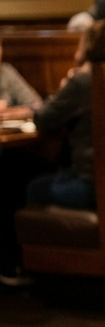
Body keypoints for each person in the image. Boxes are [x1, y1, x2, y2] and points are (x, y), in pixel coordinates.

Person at [27, 19, 105, 210]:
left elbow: (42, 119)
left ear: (88, 47)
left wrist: (65, 86)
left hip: (93, 186)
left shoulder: (82, 82)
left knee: (34, 187)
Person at [0, 40, 48, 286]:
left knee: (31, 169)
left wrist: (6, 112)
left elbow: (36, 105)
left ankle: (21, 260)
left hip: (10, 149)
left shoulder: (6, 72)